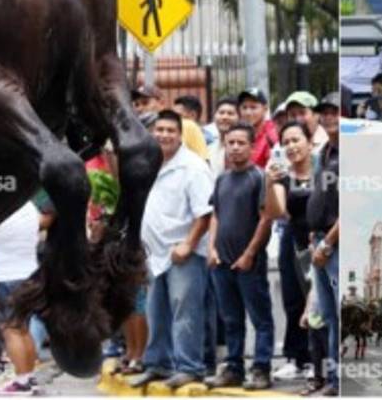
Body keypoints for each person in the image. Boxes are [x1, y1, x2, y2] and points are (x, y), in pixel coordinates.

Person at [129, 110, 214, 390]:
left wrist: (189, 243)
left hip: (183, 255)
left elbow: (205, 213)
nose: (164, 135)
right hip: (154, 254)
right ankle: (158, 364)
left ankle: (190, 367)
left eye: (170, 130)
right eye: (159, 129)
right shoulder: (148, 163)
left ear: (180, 135)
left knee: (185, 313)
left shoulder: (193, 167)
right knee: (156, 312)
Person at [205, 123, 276, 391]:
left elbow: (265, 219)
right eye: (230, 142)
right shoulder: (222, 179)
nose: (235, 147)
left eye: (240, 143)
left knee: (261, 319)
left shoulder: (259, 178)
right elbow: (216, 215)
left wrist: (249, 254)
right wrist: (211, 249)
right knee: (231, 319)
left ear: (252, 145)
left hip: (249, 264)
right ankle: (234, 368)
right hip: (221, 263)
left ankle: (261, 369)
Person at [265, 121, 323, 387]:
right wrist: (270, 183)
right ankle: (296, 359)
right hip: (293, 241)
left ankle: (318, 361)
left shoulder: (325, 173)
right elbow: (277, 212)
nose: (291, 146)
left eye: (296, 140)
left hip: (319, 243)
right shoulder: (283, 177)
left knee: (318, 304)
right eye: (285, 142)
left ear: (310, 142)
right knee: (293, 302)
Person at [0, 200, 42, 396]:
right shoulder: (29, 207)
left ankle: (21, 382)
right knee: (23, 329)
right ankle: (28, 377)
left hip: (4, 275)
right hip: (28, 274)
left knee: (11, 330)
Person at [306, 111, 339, 395]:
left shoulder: (352, 153)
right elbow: (320, 195)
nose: (330, 118)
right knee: (328, 317)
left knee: (339, 316)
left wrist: (327, 243)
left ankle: (339, 383)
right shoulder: (323, 153)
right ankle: (333, 382)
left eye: (336, 112)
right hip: (319, 240)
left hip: (335, 244)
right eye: (325, 113)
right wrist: (314, 235)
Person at [237, 88, 279, 169]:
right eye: (244, 107)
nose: (248, 113)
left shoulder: (272, 135)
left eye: (253, 107)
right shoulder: (240, 132)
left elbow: (277, 169)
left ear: (265, 109)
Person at [205, 97, 239, 173]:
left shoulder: (243, 149)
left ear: (240, 118)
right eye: (221, 113)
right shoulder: (209, 148)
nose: (224, 117)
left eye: (230, 113)